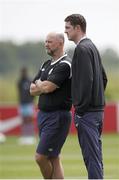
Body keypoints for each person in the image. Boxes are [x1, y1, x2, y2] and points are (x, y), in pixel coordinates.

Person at [64, 14, 108, 179]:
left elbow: (87, 81)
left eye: (68, 27)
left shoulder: (82, 49)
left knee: (91, 158)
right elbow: (103, 78)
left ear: (77, 28)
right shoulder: (92, 47)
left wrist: (81, 108)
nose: (65, 31)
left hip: (87, 113)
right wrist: (97, 99)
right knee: (96, 157)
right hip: (97, 111)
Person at [30, 32, 72, 179]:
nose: (46, 44)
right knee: (53, 157)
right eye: (45, 41)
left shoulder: (65, 64)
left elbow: (48, 87)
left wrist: (41, 84)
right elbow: (32, 89)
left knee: (40, 157)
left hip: (58, 116)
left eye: (50, 42)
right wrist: (42, 85)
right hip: (43, 115)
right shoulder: (45, 64)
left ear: (60, 43)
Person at [17, 67, 35, 145]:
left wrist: (31, 100)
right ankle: (24, 137)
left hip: (29, 103)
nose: (23, 73)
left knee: (29, 119)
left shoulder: (29, 81)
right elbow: (19, 92)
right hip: (22, 103)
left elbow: (33, 92)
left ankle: (30, 136)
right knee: (23, 120)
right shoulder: (19, 82)